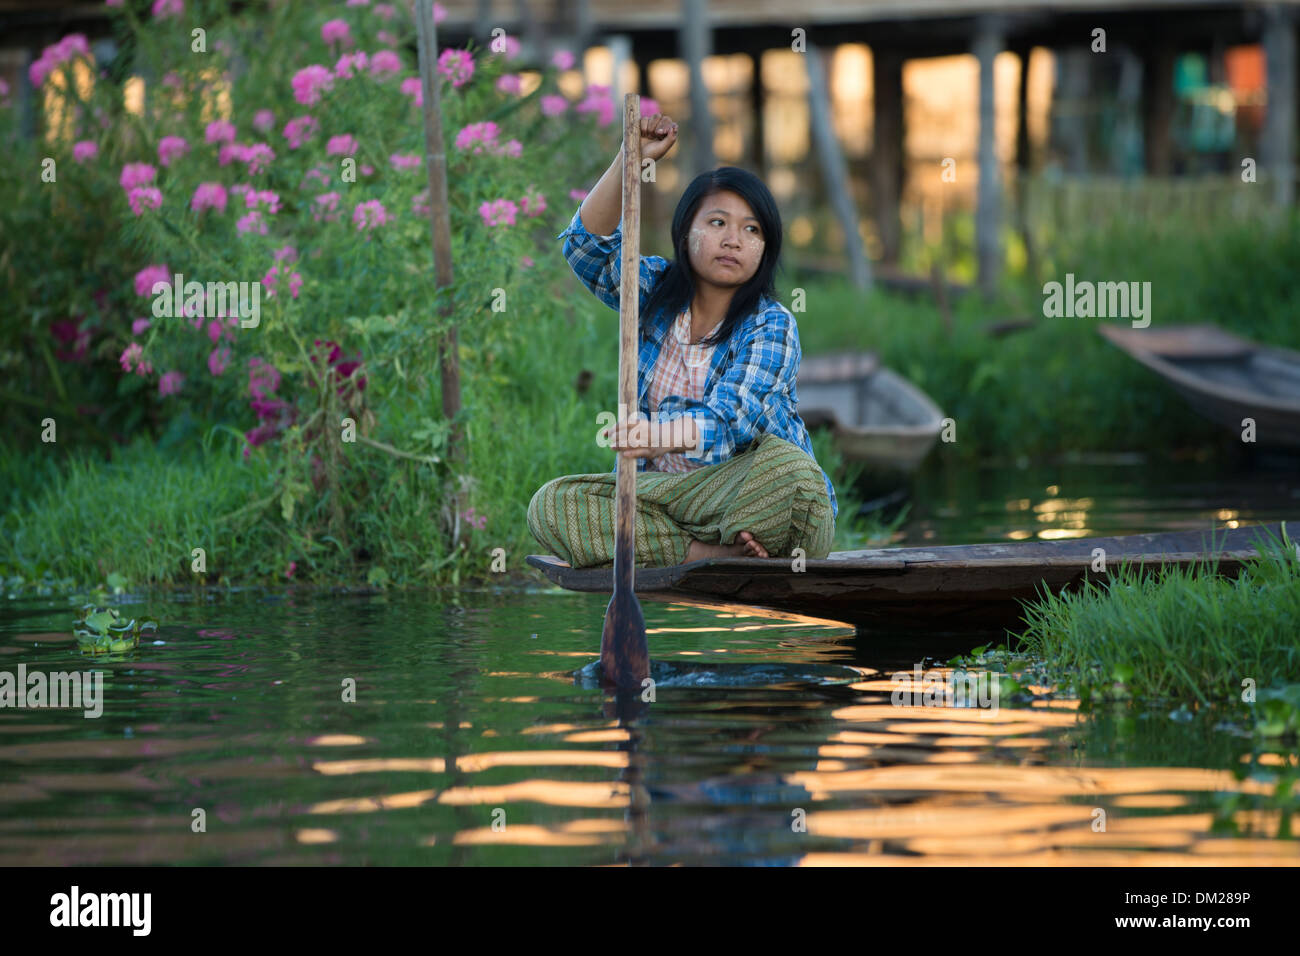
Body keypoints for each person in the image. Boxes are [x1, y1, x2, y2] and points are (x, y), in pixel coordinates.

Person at [527, 111, 837, 569]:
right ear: (685, 231)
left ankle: (666, 546)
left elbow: (732, 419)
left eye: (752, 230)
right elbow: (585, 248)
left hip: (745, 492)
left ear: (765, 250)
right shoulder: (650, 287)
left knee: (795, 476)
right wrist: (628, 161)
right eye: (717, 223)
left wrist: (657, 437)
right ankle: (708, 554)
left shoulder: (771, 325)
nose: (733, 239)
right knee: (551, 505)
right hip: (668, 500)